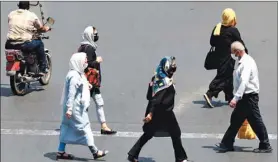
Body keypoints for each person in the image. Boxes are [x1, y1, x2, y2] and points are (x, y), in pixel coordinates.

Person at [127, 56, 190, 162]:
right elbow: (155, 100)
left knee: (149, 134)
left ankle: (132, 154)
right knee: (176, 133)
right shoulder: (164, 82)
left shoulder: (155, 78)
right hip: (164, 113)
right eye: (171, 69)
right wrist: (150, 114)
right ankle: (181, 158)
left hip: (158, 112)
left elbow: (149, 96)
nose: (173, 71)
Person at [216, 41, 273, 153]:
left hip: (248, 97)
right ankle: (227, 143)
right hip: (245, 97)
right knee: (236, 120)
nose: (234, 55)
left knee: (255, 121)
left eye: (234, 53)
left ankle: (265, 144)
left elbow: (244, 82)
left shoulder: (246, 63)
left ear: (238, 51)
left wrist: (235, 98)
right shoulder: (244, 61)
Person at [57, 52, 108, 160]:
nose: (86, 62)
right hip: (75, 108)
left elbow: (81, 84)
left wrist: (87, 85)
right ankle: (95, 152)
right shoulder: (74, 76)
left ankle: (61, 151)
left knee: (66, 127)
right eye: (84, 60)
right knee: (84, 128)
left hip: (72, 107)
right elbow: (71, 93)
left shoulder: (76, 73)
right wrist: (70, 109)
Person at [204, 8, 248, 108]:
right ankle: (210, 93)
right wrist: (246, 55)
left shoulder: (217, 27)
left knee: (228, 78)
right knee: (223, 78)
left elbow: (212, 42)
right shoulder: (233, 30)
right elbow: (240, 43)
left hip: (218, 57)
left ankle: (229, 98)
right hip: (227, 58)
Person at [77, 26, 117, 135]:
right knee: (86, 104)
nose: (96, 36)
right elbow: (86, 64)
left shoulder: (82, 47)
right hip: (90, 81)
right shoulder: (89, 48)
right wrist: (96, 61)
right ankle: (81, 126)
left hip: (90, 81)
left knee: (97, 102)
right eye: (94, 34)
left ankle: (104, 126)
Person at [5, 1, 50, 75]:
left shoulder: (11, 14)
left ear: (18, 5)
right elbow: (41, 28)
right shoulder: (32, 15)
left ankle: (20, 68)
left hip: (9, 44)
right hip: (23, 44)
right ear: (28, 6)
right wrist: (46, 28)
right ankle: (43, 68)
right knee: (40, 44)